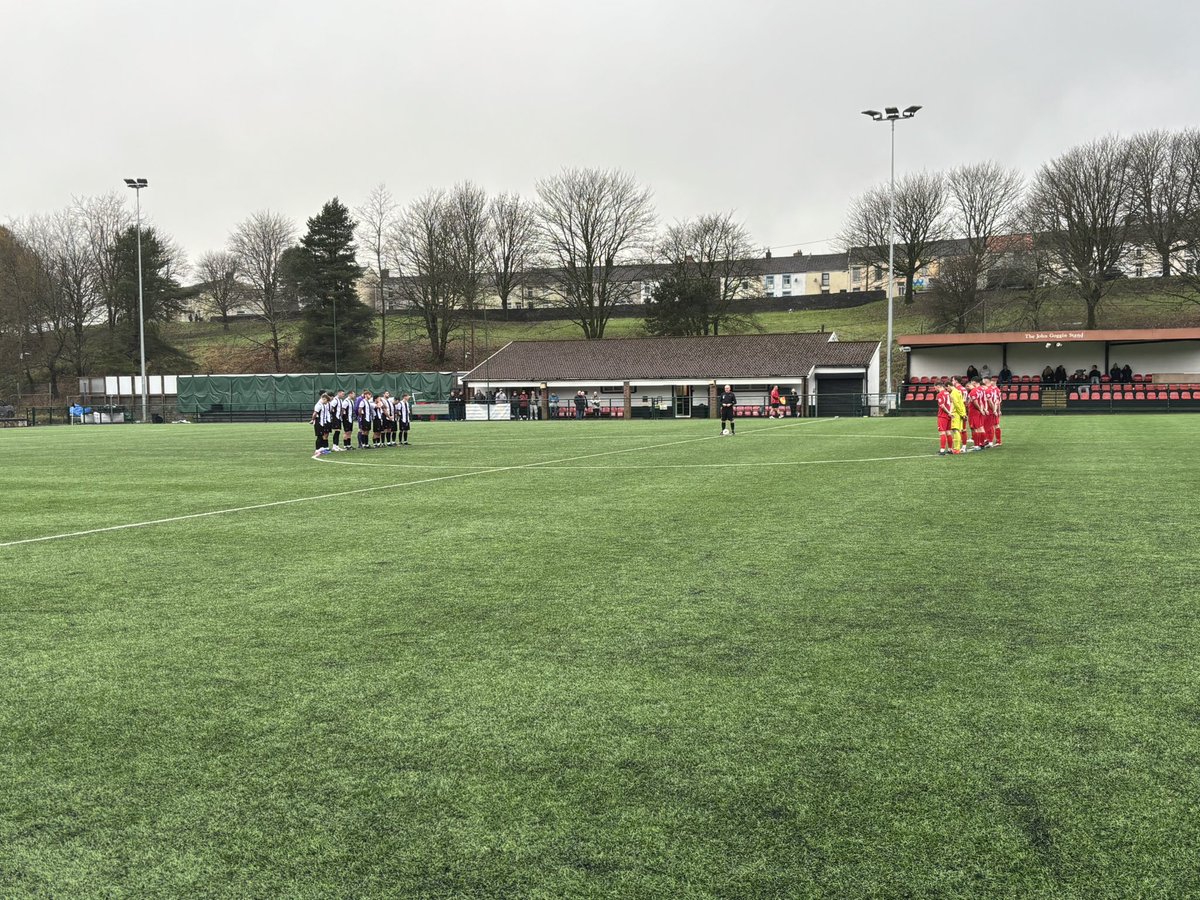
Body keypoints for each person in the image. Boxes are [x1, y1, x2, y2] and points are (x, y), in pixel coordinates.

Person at [311, 392, 334, 458]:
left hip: (323, 422)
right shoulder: (318, 405)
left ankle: (322, 449)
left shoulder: (324, 404)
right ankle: (317, 449)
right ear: (324, 399)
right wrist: (313, 420)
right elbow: (315, 413)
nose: (327, 403)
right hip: (319, 422)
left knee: (322, 435)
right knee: (319, 436)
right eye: (327, 401)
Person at [948, 379, 967, 454]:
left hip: (956, 413)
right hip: (962, 411)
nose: (947, 390)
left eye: (953, 380)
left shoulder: (953, 393)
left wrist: (962, 413)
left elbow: (956, 404)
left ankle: (956, 449)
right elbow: (962, 403)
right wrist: (964, 413)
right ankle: (962, 447)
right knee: (961, 430)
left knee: (955, 430)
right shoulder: (961, 390)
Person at [935, 383, 953, 456]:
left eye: (935, 387)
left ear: (938, 386)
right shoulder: (948, 393)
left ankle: (942, 450)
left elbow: (942, 406)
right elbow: (952, 402)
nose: (935, 389)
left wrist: (948, 412)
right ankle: (950, 449)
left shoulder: (940, 394)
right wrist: (950, 412)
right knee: (948, 432)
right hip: (949, 415)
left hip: (943, 415)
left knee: (942, 432)